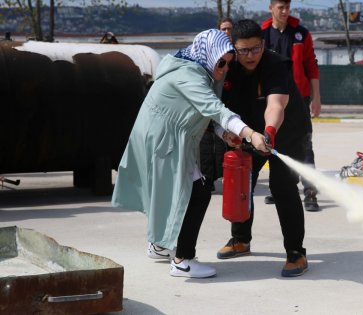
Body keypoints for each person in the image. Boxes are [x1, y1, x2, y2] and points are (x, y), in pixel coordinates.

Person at [111, 29, 269, 278]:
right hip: (165, 140)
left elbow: (207, 113)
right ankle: (183, 260)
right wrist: (251, 134)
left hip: (167, 137)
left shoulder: (200, 71)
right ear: (208, 55)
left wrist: (224, 133)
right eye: (221, 62)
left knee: (170, 192)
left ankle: (159, 245)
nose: (225, 68)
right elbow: (213, 107)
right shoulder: (189, 75)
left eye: (229, 63)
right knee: (197, 192)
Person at [216, 19, 309, 277]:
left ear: (263, 44)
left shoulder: (275, 64)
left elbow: (276, 105)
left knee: (282, 187)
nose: (250, 56)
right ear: (234, 47)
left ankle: (296, 253)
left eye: (255, 49)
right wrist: (232, 134)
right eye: (243, 50)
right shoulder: (228, 66)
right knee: (241, 180)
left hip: (287, 132)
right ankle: (241, 240)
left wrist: (268, 133)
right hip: (250, 132)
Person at [261, 0, 321, 212]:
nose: (285, 11)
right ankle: (281, 189)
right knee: (275, 143)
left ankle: (310, 191)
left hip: (300, 98)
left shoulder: (301, 34)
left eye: (287, 7)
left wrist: (316, 97)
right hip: (272, 99)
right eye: (280, 7)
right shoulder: (263, 34)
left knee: (304, 144)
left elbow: (311, 66)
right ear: (271, 8)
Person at [199, 17, 234, 193]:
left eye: (229, 29)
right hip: (209, 102)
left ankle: (223, 174)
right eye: (224, 29)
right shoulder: (211, 52)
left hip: (225, 104)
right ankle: (208, 177)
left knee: (222, 142)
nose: (227, 32)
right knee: (205, 142)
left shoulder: (233, 55)